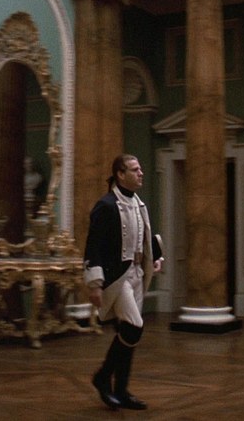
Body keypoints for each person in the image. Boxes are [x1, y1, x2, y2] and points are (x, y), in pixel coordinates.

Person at [84, 154, 164, 411]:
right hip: (117, 277)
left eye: (140, 169)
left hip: (137, 274)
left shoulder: (139, 204)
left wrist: (156, 257)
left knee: (127, 333)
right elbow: (93, 245)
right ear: (120, 174)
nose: (141, 173)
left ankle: (121, 391)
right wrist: (95, 283)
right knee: (134, 327)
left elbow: (145, 234)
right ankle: (102, 377)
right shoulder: (106, 205)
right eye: (135, 169)